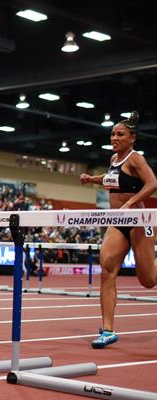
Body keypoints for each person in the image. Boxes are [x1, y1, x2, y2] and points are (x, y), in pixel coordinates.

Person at [79, 111, 157, 348]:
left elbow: (153, 183)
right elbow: (112, 179)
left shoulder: (136, 159)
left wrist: (131, 203)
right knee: (106, 271)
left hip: (138, 221)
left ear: (132, 137)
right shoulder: (114, 160)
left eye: (120, 134)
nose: (114, 138)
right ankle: (108, 330)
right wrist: (92, 179)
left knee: (148, 280)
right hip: (117, 221)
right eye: (112, 133)